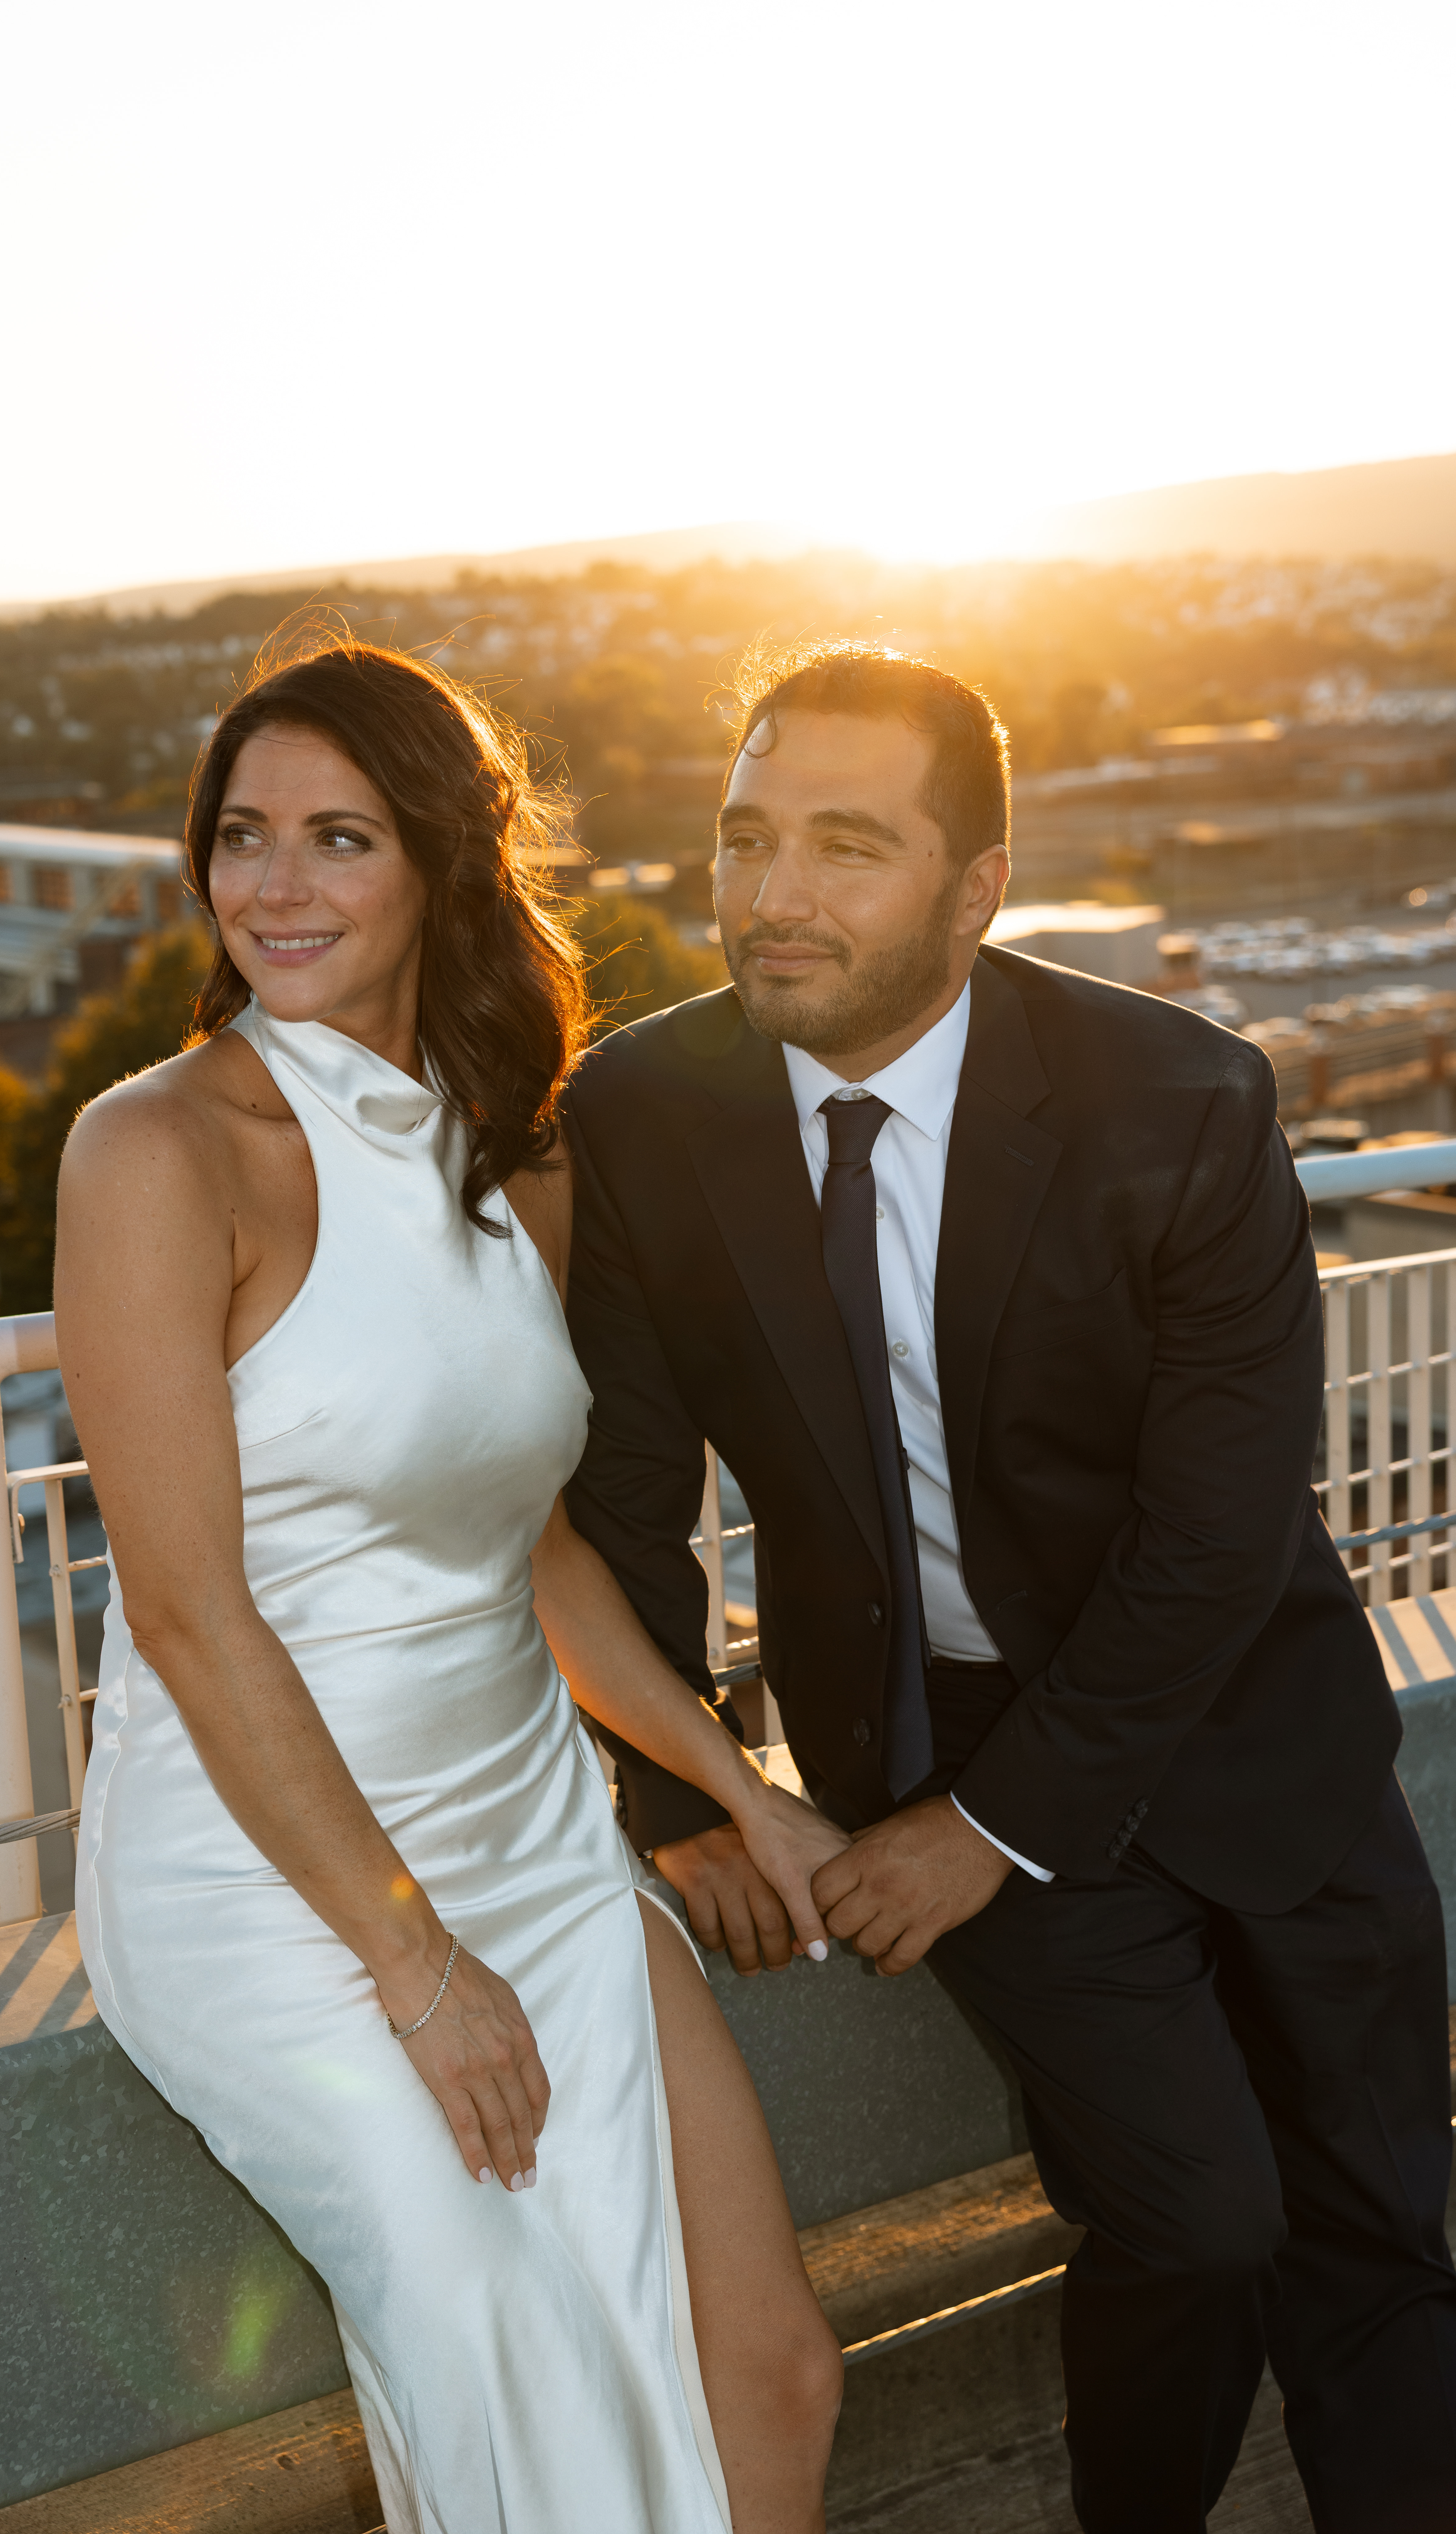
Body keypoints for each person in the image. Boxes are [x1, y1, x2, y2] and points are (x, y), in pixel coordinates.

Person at [563, 640, 1456, 2534]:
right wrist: (681, 1788)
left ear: (975, 890)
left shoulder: (1179, 1097)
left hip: (1247, 1726)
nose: (771, 892)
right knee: (1198, 2222)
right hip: (934, 1734)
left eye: (845, 845)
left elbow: (1217, 1528)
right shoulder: (645, 1107)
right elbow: (623, 1499)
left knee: (1379, 2229)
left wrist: (988, 1831)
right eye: (743, 835)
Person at [55, 639, 846, 2534]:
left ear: (439, 865)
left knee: (771, 2374)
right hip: (273, 1891)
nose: (275, 885)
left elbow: (535, 1549)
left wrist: (739, 1791)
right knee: (523, 2388)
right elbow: (186, 1616)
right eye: (241, 836)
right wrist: (418, 1974)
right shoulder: (153, 1152)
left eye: (339, 838)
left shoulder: (516, 1158)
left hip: (534, 1838)